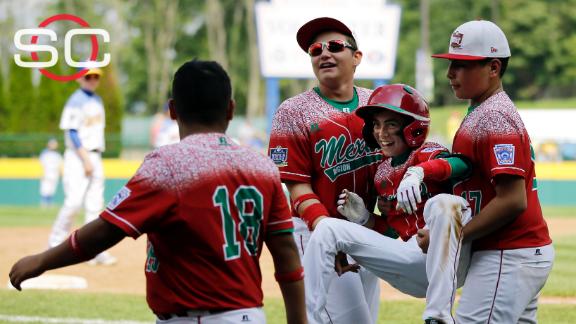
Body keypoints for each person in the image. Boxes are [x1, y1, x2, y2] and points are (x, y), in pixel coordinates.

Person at [10, 60, 307, 324]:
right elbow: (286, 254)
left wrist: (41, 261)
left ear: (173, 110)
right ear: (230, 109)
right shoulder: (263, 167)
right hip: (249, 316)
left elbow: (103, 232)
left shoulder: (167, 165)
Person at [303, 84, 473, 324]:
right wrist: (365, 218)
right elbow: (393, 232)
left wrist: (419, 172)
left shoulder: (428, 152)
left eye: (390, 124)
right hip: (412, 261)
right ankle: (310, 320)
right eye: (376, 125)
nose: (381, 132)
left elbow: (463, 165)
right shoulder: (382, 174)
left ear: (413, 128)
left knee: (447, 203)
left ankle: (439, 317)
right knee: (327, 228)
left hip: (449, 259)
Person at [427, 19, 554, 323]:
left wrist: (452, 238)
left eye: (461, 64)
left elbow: (512, 200)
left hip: (507, 253)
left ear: (493, 68)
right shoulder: (482, 111)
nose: (450, 73)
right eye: (451, 63)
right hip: (517, 253)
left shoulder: (495, 118)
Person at [268, 17, 383, 324]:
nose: (323, 54)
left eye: (334, 46)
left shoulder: (377, 104)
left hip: (366, 228)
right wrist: (331, 238)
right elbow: (296, 187)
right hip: (316, 230)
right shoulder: (293, 111)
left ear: (357, 57)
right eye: (315, 49)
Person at [47, 66, 116, 265]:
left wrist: (92, 159)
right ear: (79, 78)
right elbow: (71, 131)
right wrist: (85, 158)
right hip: (78, 157)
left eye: (96, 76)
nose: (92, 79)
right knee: (74, 202)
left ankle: (92, 250)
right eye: (88, 76)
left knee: (95, 205)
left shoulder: (97, 100)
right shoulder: (75, 101)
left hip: (95, 154)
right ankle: (54, 244)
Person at [39, 138, 62, 207]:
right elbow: (41, 164)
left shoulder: (57, 154)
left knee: (52, 189)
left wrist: (60, 173)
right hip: (46, 173)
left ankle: (49, 203)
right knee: (45, 188)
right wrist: (41, 173)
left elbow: (59, 165)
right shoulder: (45, 153)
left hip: (55, 174)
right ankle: (44, 203)